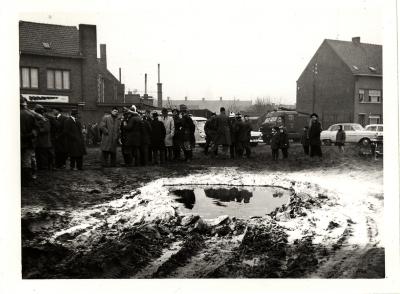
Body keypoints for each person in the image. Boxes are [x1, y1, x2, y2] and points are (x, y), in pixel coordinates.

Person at [20, 97, 37, 186]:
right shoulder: (30, 115)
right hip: (27, 142)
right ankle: (26, 181)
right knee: (26, 162)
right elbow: (35, 130)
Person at [33, 104, 53, 170]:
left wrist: (36, 130)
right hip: (38, 142)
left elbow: (46, 129)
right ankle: (40, 166)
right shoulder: (36, 119)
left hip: (44, 141)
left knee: (43, 155)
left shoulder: (45, 120)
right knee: (38, 155)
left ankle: (44, 167)